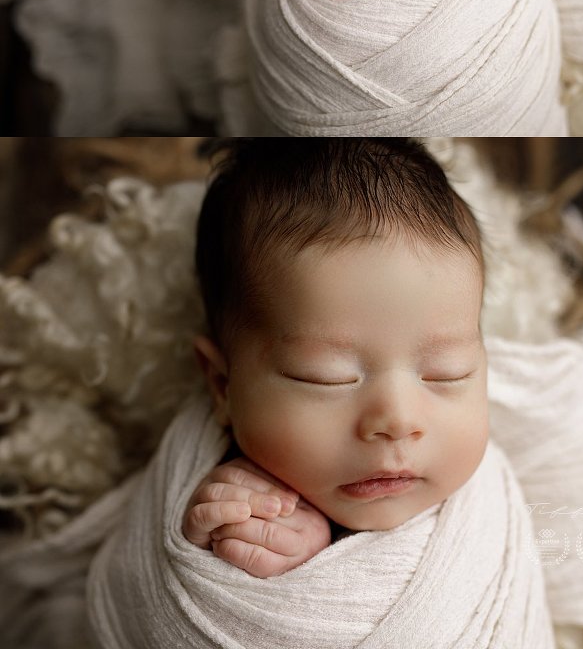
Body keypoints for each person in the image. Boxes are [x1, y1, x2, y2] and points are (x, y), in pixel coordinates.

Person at [182, 137, 489, 577]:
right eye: (327, 378)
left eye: (448, 373)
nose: (398, 421)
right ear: (222, 385)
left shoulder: (489, 487)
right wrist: (226, 538)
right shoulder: (234, 491)